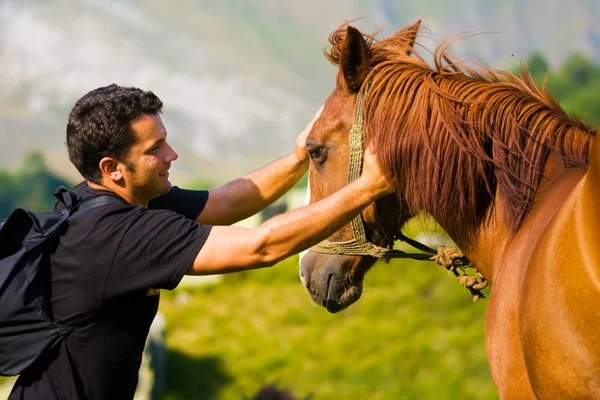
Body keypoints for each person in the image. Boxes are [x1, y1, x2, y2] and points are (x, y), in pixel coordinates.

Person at [9, 84, 392, 400]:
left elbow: (226, 203)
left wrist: (302, 153)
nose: (171, 155)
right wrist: (369, 187)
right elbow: (261, 246)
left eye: (166, 141)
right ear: (112, 168)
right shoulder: (120, 234)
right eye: (154, 149)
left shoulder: (115, 199)